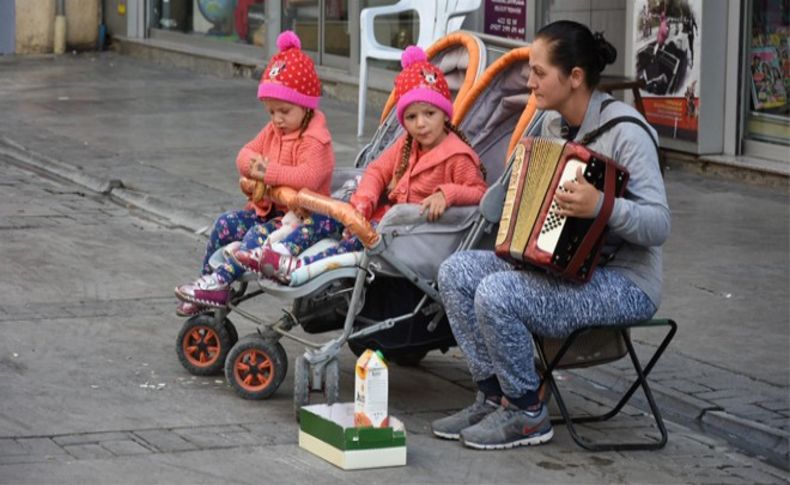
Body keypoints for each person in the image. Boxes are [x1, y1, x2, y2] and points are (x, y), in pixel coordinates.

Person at [430, 20, 670, 450]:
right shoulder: (550, 124)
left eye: (539, 72)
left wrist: (603, 206)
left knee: (498, 292)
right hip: (563, 268)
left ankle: (527, 411)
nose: (529, 80)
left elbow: (658, 225)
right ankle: (492, 396)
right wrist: (514, 174)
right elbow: (494, 207)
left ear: (574, 77)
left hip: (624, 281)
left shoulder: (627, 133)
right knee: (456, 271)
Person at [231, 45, 487, 283]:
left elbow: (479, 192)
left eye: (429, 114)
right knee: (329, 215)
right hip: (384, 220)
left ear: (445, 113)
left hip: (413, 232)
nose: (420, 124)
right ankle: (283, 250)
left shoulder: (456, 155)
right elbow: (376, 170)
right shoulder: (407, 144)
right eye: (411, 117)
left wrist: (448, 194)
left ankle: (302, 267)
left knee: (353, 246)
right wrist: (364, 199)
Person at [174, 31, 335, 313]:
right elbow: (244, 155)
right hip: (266, 209)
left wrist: (268, 172)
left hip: (295, 219)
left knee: (255, 237)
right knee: (225, 223)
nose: (277, 119)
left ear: (306, 105)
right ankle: (207, 283)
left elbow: (309, 176)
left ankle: (223, 282)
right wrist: (254, 167)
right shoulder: (273, 130)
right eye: (271, 112)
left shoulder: (315, 139)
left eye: (284, 110)